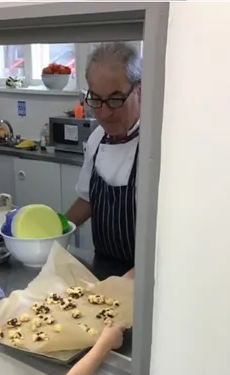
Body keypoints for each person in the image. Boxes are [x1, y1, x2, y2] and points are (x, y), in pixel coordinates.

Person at [66, 42, 142, 279]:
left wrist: (134, 279)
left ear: (139, 90)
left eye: (115, 100)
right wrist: (53, 232)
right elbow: (87, 200)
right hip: (102, 267)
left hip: (143, 274)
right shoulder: (98, 138)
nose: (105, 113)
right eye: (96, 100)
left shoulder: (157, 147)